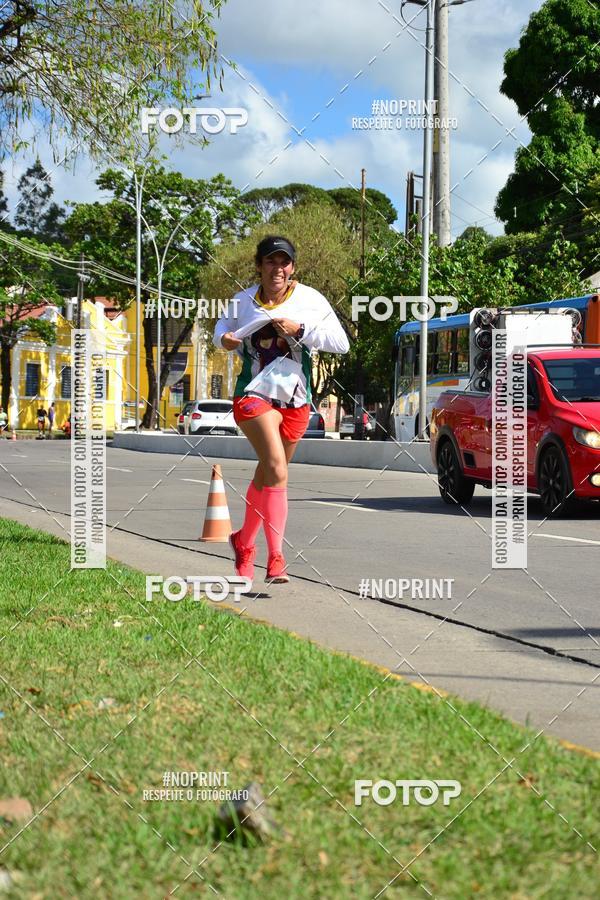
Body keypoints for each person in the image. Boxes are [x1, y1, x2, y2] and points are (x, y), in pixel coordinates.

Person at [214, 235, 349, 584]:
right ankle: (275, 556)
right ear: (259, 266)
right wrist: (224, 340)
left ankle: (243, 542)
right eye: (271, 262)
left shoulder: (310, 300)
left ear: (293, 268)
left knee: (269, 473)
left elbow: (341, 343)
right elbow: (221, 329)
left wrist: (300, 329)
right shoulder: (241, 301)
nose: (278, 268)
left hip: (295, 399)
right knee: (276, 467)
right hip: (253, 394)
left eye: (284, 262)